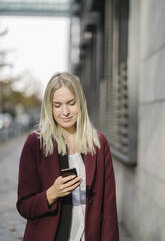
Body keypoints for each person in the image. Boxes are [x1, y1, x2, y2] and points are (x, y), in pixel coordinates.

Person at [16, 72, 119, 241]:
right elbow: (24, 206)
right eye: (57, 105)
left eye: (71, 103)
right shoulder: (35, 144)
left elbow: (108, 209)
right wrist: (51, 194)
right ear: (49, 107)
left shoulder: (98, 144)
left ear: (81, 103)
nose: (65, 112)